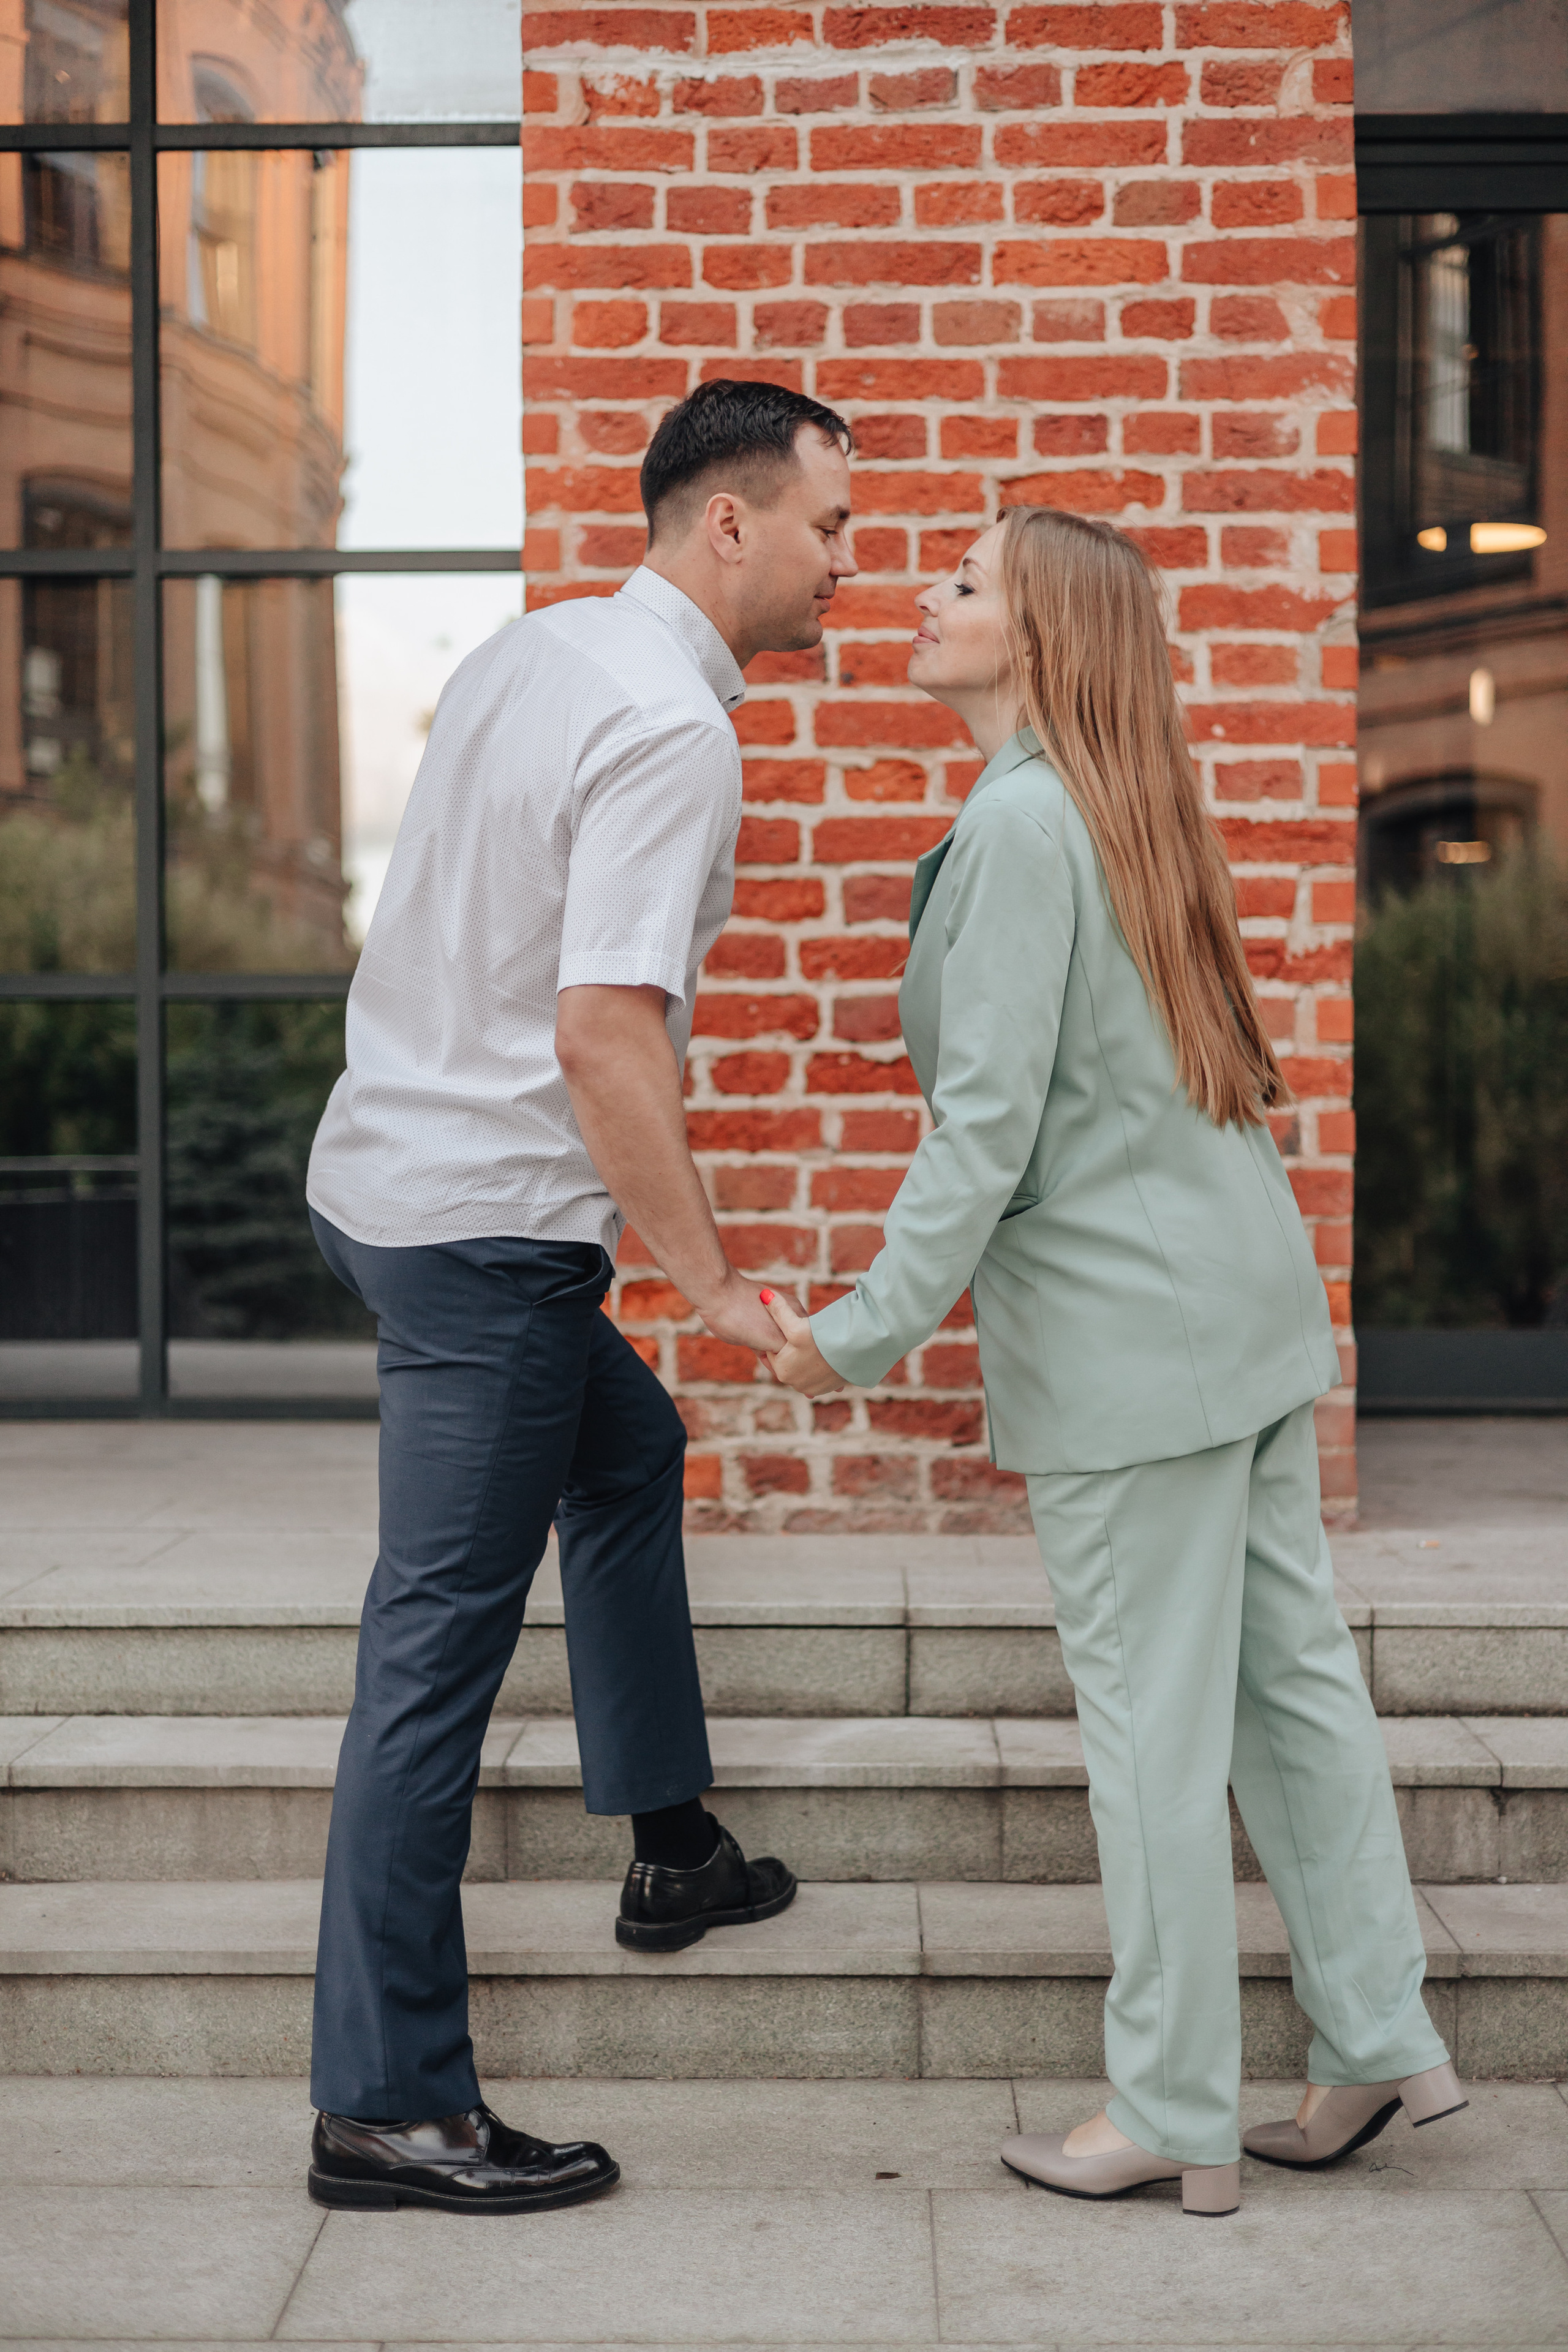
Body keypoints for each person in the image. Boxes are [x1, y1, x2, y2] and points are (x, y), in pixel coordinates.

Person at [761, 503, 1464, 2220]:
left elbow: (982, 1133)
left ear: (1041, 638)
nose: (922, 600)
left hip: (1136, 1356)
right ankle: (1378, 2036)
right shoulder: (1122, 803)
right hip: (1237, 1314)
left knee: (1156, 1726)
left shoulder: (1020, 830)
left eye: (964, 587)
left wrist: (849, 1338)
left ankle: (1171, 2109)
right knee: (1288, 1690)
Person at [301, 379, 858, 2215]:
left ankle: (672, 1844)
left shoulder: (537, 652)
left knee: (627, 1455)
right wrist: (708, 1278)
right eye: (829, 528)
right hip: (483, 1234)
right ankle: (388, 2102)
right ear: (729, 524)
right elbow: (608, 1027)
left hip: (392, 1176)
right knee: (430, 1662)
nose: (846, 565)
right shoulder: (673, 729)